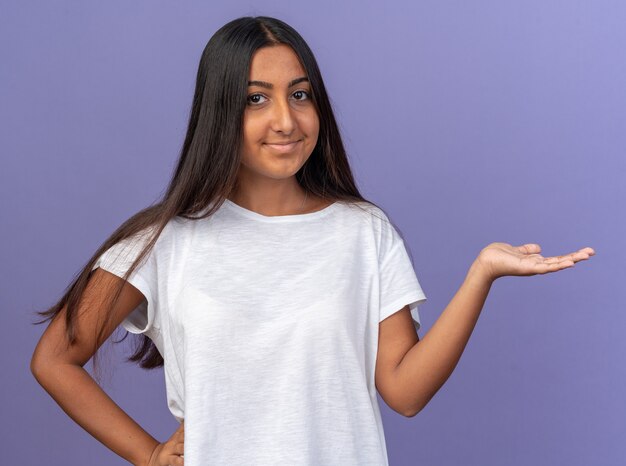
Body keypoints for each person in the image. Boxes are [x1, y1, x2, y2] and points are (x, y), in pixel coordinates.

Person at [29, 15, 595, 466]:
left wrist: (481, 275)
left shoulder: (363, 232)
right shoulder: (164, 242)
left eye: (300, 95)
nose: (286, 120)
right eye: (257, 99)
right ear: (219, 112)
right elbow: (56, 358)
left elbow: (405, 391)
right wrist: (148, 455)